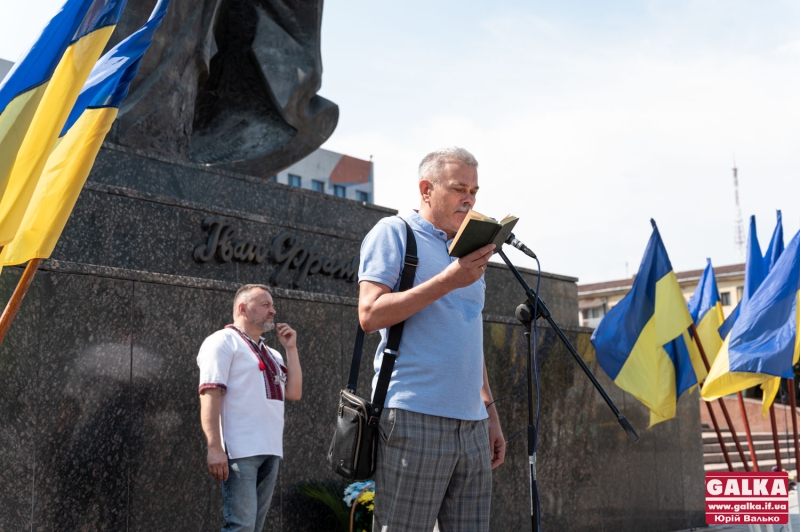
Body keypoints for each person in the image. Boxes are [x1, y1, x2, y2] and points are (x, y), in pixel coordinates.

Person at [358, 147, 505, 532]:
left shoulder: (467, 249)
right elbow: (369, 315)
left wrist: (489, 412)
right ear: (426, 189)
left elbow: (468, 330)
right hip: (413, 415)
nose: (469, 199)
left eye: (474, 190)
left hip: (471, 423)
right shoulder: (394, 233)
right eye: (459, 188)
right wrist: (448, 280)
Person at [197, 284, 302, 532]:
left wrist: (291, 349)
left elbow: (294, 393)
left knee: (253, 528)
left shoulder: (273, 353)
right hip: (239, 451)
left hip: (271, 450)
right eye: (265, 305)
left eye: (273, 305)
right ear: (243, 308)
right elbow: (209, 395)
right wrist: (214, 448)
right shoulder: (222, 341)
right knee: (240, 526)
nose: (273, 311)